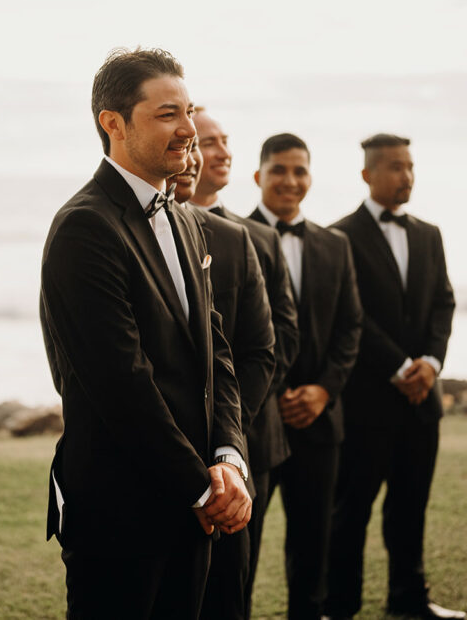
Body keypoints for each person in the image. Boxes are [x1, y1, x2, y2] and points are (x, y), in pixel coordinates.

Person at [39, 48, 252, 619]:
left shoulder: (184, 219)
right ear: (114, 123)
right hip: (120, 511)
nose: (188, 131)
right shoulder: (84, 227)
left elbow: (218, 356)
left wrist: (230, 459)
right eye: (166, 115)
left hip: (195, 501)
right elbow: (121, 383)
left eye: (188, 112)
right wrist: (203, 488)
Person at [325, 134, 462, 620]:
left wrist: (432, 362)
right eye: (395, 167)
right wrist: (400, 367)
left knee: (410, 508)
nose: (406, 176)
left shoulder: (430, 234)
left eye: (410, 167)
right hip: (366, 405)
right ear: (368, 174)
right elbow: (351, 316)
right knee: (350, 512)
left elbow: (443, 302)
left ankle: (409, 600)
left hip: (423, 401)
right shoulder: (338, 236)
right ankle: (338, 608)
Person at [191, 109, 301, 618]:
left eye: (224, 140)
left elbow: (276, 338)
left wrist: (230, 428)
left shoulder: (251, 237)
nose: (220, 150)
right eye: (206, 141)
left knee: (234, 585)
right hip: (174, 446)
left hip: (247, 439)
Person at [249, 133, 362, 619]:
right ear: (258, 176)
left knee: (313, 547)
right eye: (279, 170)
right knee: (241, 552)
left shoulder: (335, 245)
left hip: (319, 422)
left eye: (300, 171)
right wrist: (268, 398)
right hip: (256, 422)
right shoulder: (228, 234)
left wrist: (322, 391)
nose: (290, 181)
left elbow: (350, 327)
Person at [169, 140, 276, 620]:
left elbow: (255, 350)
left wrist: (225, 449)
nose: (193, 157)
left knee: (228, 599)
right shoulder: (101, 231)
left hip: (229, 463)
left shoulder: (232, 239)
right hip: (155, 466)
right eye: (190, 143)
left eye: (200, 144)